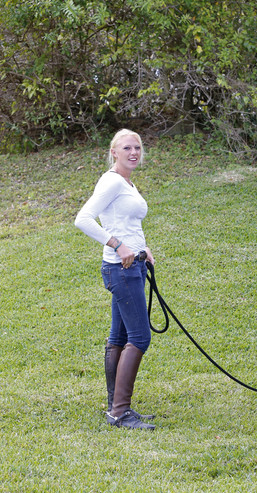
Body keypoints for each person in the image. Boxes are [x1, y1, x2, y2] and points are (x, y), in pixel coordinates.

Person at [75, 129, 157, 430]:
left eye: (137, 147)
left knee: (119, 338)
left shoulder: (126, 182)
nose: (133, 152)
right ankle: (120, 412)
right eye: (127, 148)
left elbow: (126, 222)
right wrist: (117, 245)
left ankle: (115, 407)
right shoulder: (111, 182)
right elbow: (82, 218)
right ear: (114, 152)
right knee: (140, 337)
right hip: (120, 270)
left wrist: (141, 248)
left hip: (132, 266)